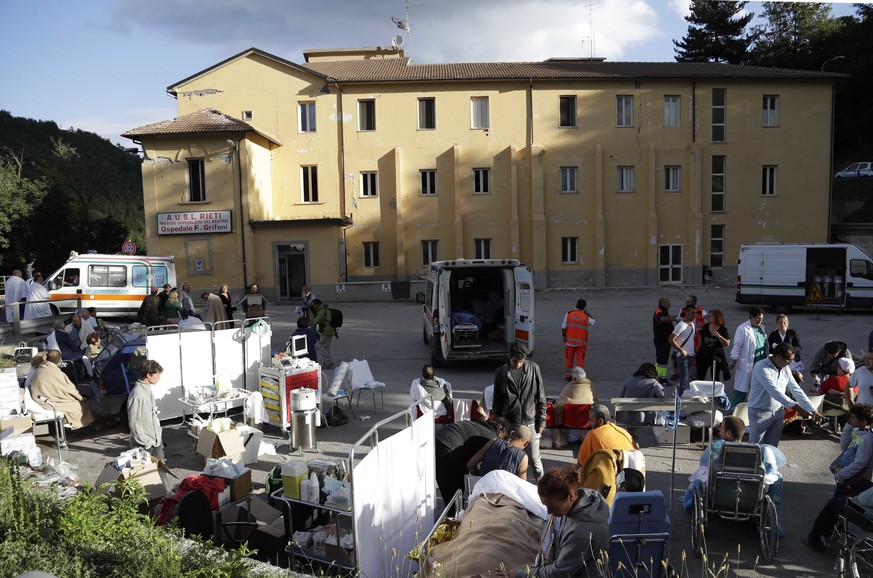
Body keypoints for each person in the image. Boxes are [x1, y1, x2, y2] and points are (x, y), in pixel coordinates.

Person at [495, 466, 609, 578]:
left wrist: (518, 574)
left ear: (570, 496)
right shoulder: (579, 500)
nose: (549, 512)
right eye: (546, 506)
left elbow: (559, 573)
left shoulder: (582, 532)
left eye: (553, 507)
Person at [747, 342, 823, 447]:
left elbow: (796, 390)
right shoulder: (761, 367)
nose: (791, 363)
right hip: (760, 413)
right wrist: (798, 408)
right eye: (789, 360)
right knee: (755, 448)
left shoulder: (785, 369)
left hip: (778, 412)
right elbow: (775, 392)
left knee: (772, 449)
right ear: (778, 357)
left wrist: (813, 410)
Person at [492, 342, 546, 481]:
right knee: (512, 459)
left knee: (535, 460)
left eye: (521, 362)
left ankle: (544, 489)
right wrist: (498, 425)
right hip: (510, 424)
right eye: (515, 361)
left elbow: (541, 396)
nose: (517, 365)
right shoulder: (500, 373)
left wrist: (542, 421)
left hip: (529, 423)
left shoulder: (534, 369)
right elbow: (496, 401)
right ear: (509, 357)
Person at [29, 350, 117, 430]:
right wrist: (80, 398)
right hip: (49, 402)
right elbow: (69, 389)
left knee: (80, 402)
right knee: (80, 405)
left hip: (43, 399)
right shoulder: (56, 372)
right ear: (59, 360)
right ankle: (97, 422)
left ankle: (97, 419)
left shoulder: (41, 368)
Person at [434, 417, 509, 503]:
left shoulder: (478, 426)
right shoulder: (491, 438)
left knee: (452, 492)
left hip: (437, 441)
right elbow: (472, 465)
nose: (501, 442)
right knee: (455, 498)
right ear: (499, 431)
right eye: (504, 438)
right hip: (449, 449)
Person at [682, 416, 746, 511]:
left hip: (718, 487)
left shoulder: (715, 446)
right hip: (742, 490)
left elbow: (704, 462)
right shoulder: (751, 450)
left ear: (728, 433)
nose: (719, 428)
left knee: (701, 472)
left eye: (721, 426)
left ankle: (688, 503)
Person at [805, 484, 873, 553]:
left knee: (832, 504)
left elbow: (862, 499)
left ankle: (815, 541)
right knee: (861, 484)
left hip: (867, 517)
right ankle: (840, 527)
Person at [830, 403, 873, 498]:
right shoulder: (857, 432)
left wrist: (841, 474)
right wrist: (848, 428)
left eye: (853, 417)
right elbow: (844, 448)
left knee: (837, 506)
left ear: (863, 422)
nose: (850, 419)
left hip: (854, 481)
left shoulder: (867, 439)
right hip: (846, 478)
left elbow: (860, 462)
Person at [575, 404, 637, 470]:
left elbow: (581, 464)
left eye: (591, 420)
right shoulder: (623, 431)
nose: (589, 423)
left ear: (600, 421)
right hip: (634, 471)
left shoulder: (593, 434)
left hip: (613, 475)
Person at [728, 307, 767, 406]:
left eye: (761, 318)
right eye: (757, 318)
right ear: (751, 317)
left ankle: (752, 409)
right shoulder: (743, 328)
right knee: (741, 389)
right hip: (746, 364)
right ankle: (735, 411)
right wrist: (734, 360)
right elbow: (737, 345)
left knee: (757, 390)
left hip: (760, 364)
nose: (760, 320)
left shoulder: (762, 329)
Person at [127, 360, 165, 459]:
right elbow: (134, 423)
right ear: (148, 375)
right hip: (145, 444)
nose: (159, 377)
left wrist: (158, 435)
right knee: (147, 473)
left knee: (161, 470)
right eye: (157, 375)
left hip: (155, 440)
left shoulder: (147, 389)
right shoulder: (137, 394)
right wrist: (146, 442)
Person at [561, 298, 595, 379]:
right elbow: (593, 322)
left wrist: (564, 336)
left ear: (576, 305)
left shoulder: (569, 314)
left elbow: (563, 326)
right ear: (584, 307)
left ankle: (568, 375)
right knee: (580, 359)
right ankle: (579, 376)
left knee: (569, 358)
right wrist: (587, 313)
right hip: (581, 343)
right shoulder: (586, 316)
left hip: (569, 342)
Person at [696, 309, 731, 382]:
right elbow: (701, 340)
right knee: (700, 376)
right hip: (703, 354)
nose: (708, 317)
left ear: (717, 317)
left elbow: (727, 343)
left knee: (715, 377)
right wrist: (697, 350)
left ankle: (714, 392)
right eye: (708, 316)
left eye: (710, 316)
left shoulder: (723, 329)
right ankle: (699, 391)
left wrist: (719, 336)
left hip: (715, 357)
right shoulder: (706, 326)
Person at [669, 306, 697, 393]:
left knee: (685, 379)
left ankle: (680, 395)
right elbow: (671, 340)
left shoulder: (692, 324)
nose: (694, 315)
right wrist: (682, 351)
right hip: (683, 357)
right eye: (692, 313)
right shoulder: (681, 325)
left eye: (695, 313)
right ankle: (681, 400)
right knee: (684, 381)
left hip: (690, 356)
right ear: (687, 312)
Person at [768, 313, 803, 382]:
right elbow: (771, 350)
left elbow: (799, 347)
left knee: (794, 381)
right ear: (777, 324)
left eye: (784, 322)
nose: (782, 324)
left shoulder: (792, 333)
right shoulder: (773, 335)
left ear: (787, 323)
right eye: (780, 322)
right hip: (779, 362)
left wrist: (790, 351)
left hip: (792, 362)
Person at [652, 297, 677, 380]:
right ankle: (661, 378)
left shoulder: (664, 311)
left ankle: (657, 375)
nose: (670, 304)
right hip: (662, 340)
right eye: (667, 302)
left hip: (664, 339)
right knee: (662, 358)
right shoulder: (659, 311)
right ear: (662, 303)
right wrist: (675, 318)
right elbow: (662, 319)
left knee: (661, 358)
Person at [309, 298, 336, 369]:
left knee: (322, 347)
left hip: (326, 331)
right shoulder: (328, 308)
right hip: (331, 329)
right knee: (326, 347)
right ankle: (329, 362)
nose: (313, 307)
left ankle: (327, 363)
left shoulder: (322, 310)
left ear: (317, 304)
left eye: (314, 305)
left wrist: (311, 314)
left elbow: (314, 322)